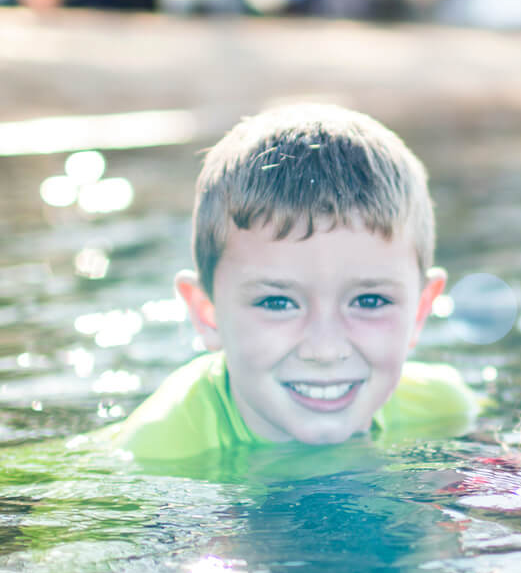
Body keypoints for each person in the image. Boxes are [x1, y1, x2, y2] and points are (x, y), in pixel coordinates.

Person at [83, 103, 477, 463]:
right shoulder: (152, 456)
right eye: (277, 303)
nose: (325, 350)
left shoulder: (445, 410)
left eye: (370, 301)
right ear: (207, 314)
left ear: (421, 311)